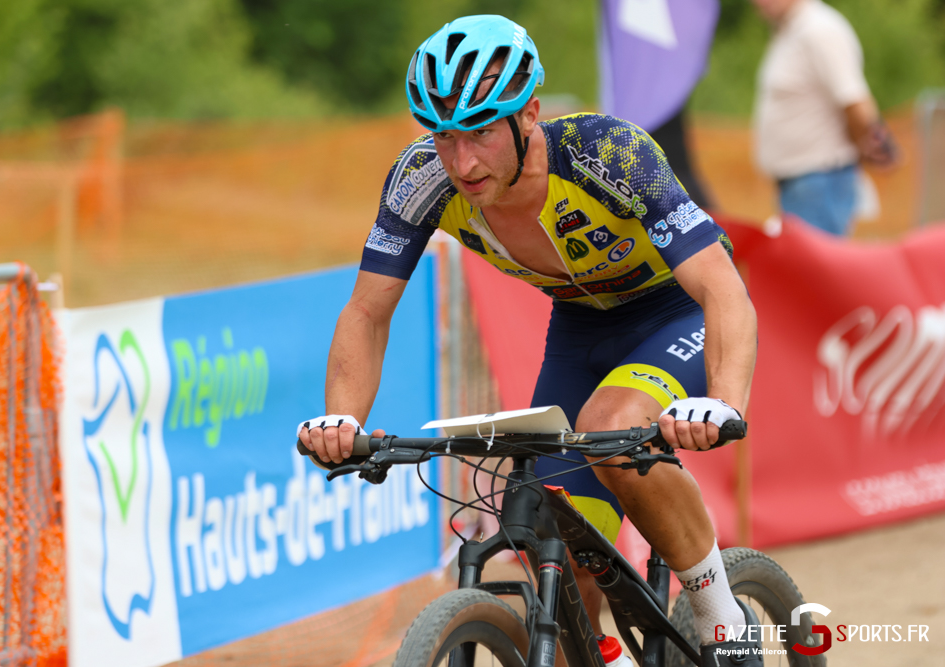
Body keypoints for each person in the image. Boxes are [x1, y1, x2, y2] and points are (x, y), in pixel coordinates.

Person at [298, 15, 760, 666]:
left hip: (675, 310)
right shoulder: (421, 178)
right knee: (554, 542)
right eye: (444, 136)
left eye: (482, 132)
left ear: (529, 115)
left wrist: (723, 400)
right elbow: (368, 311)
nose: (462, 162)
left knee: (611, 423)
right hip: (580, 325)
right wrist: (343, 419)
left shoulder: (608, 153)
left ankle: (720, 617)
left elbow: (721, 287)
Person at [752, 0, 897, 235]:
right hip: (803, 184)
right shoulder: (791, 30)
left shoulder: (819, 29)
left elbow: (854, 100)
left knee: (812, 260)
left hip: (820, 181)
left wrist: (871, 145)